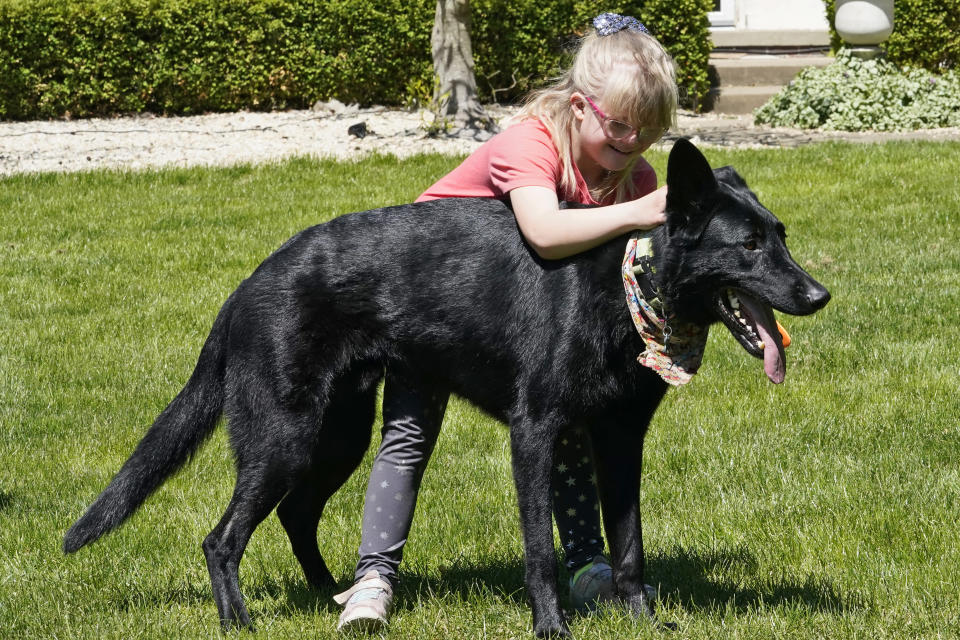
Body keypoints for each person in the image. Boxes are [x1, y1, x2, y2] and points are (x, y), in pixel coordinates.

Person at [334, 13, 677, 631]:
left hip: (519, 320)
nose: (631, 143)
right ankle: (373, 579)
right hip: (425, 302)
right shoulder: (530, 143)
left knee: (571, 426)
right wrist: (638, 213)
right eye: (619, 126)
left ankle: (585, 566)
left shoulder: (634, 178)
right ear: (579, 107)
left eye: (647, 131)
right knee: (410, 433)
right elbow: (545, 235)